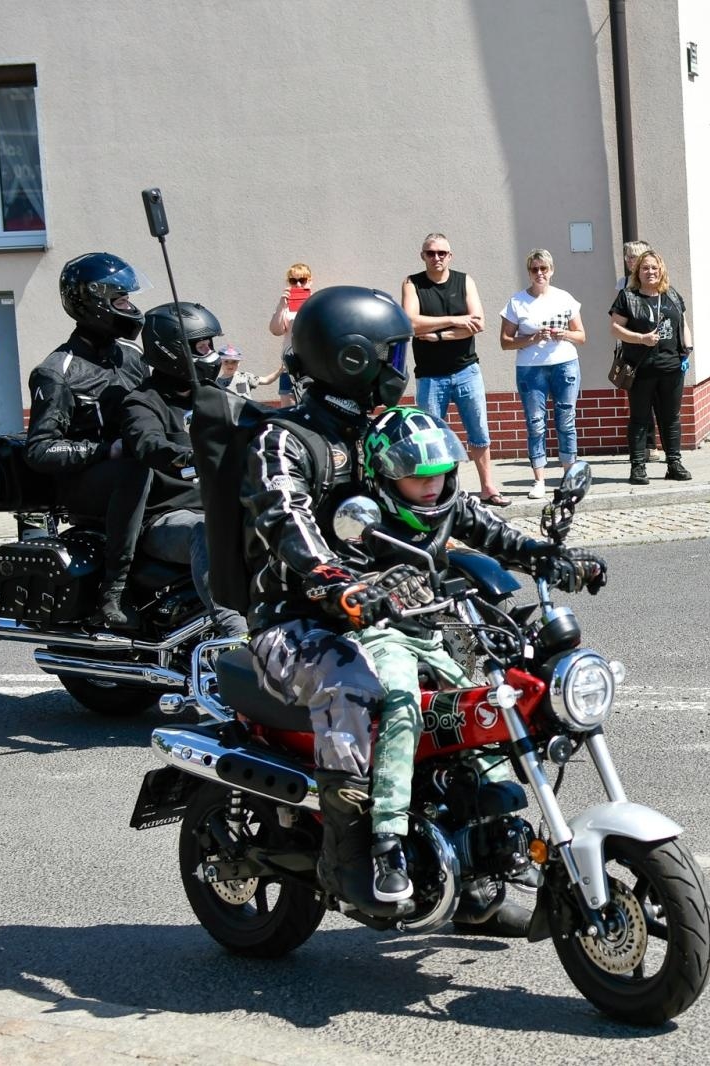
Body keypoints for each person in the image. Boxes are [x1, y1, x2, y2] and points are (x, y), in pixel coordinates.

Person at [241, 286, 601, 914]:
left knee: (482, 693)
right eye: (388, 354)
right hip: (299, 623)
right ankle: (359, 855)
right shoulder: (285, 440)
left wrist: (540, 555)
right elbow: (285, 516)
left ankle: (483, 850)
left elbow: (452, 512)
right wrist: (330, 579)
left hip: (391, 610)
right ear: (350, 359)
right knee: (355, 685)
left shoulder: (384, 429)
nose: (398, 367)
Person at [353, 405, 605, 910]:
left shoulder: (449, 503)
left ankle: (493, 839)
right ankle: (388, 844)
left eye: (441, 473)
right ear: (384, 476)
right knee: (403, 707)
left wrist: (551, 558)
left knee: (489, 709)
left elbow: (500, 536)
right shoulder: (360, 517)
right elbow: (334, 573)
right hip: (377, 637)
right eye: (416, 477)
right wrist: (375, 585)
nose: (432, 486)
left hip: (429, 634)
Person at [26, 252, 153, 627]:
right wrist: (104, 450)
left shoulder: (131, 357)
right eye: (121, 300)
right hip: (85, 484)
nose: (130, 308)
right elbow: (40, 449)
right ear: (93, 302)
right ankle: (112, 594)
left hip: (131, 472)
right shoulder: (57, 372)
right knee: (133, 468)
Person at [122, 303, 247, 638]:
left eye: (210, 344)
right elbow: (147, 443)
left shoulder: (213, 396)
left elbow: (256, 419)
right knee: (208, 530)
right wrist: (186, 457)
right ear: (172, 350)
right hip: (167, 517)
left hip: (220, 505)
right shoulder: (143, 402)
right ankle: (235, 635)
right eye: (201, 346)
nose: (209, 352)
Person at [401, 232, 509, 506]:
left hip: (466, 371)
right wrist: (454, 320)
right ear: (422, 256)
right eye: (430, 253)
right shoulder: (413, 283)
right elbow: (410, 324)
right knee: (430, 438)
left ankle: (488, 488)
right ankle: (437, 495)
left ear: (450, 256)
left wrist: (437, 334)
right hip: (429, 376)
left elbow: (478, 322)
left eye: (441, 253)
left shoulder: (464, 281)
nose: (436, 258)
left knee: (479, 433)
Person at [499, 249, 585, 500]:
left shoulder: (565, 298)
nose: (539, 273)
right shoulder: (517, 302)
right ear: (529, 272)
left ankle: (569, 477)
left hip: (564, 364)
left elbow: (581, 335)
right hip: (530, 368)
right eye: (534, 269)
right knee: (536, 423)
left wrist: (564, 334)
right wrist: (533, 337)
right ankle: (539, 480)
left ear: (552, 270)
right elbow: (505, 341)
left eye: (543, 269)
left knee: (566, 419)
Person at [610, 250, 693, 484]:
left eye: (654, 268)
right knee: (639, 418)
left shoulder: (672, 295)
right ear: (638, 271)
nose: (650, 272)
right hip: (640, 368)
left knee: (671, 418)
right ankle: (637, 467)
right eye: (645, 268)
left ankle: (674, 463)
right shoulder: (628, 297)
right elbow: (615, 328)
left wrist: (688, 349)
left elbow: (684, 324)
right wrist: (640, 338)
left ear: (661, 270)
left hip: (671, 367)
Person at [267, 262, 311, 407]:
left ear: (310, 281)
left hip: (312, 367)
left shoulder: (316, 303)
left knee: (312, 408)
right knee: (288, 411)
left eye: (302, 280)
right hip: (290, 367)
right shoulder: (285, 306)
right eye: (293, 281)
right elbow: (276, 330)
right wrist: (281, 305)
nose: (298, 284)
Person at [214, 347, 278, 398]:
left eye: (234, 361)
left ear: (239, 363)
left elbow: (267, 380)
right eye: (226, 361)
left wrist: (281, 369)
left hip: (247, 412)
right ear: (220, 362)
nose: (230, 365)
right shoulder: (216, 383)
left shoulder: (245, 377)